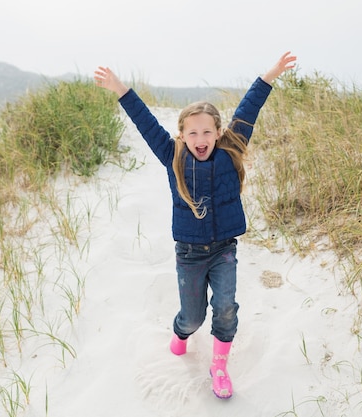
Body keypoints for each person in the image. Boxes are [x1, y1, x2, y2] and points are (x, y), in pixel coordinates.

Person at [94, 51, 297, 399]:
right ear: (183, 136)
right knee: (192, 318)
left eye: (207, 131)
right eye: (192, 132)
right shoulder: (173, 156)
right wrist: (118, 87)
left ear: (218, 133)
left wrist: (272, 73)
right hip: (189, 254)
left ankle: (219, 366)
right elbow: (145, 122)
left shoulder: (230, 150)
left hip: (224, 251)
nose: (200, 138)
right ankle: (181, 334)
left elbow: (249, 109)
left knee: (226, 309)